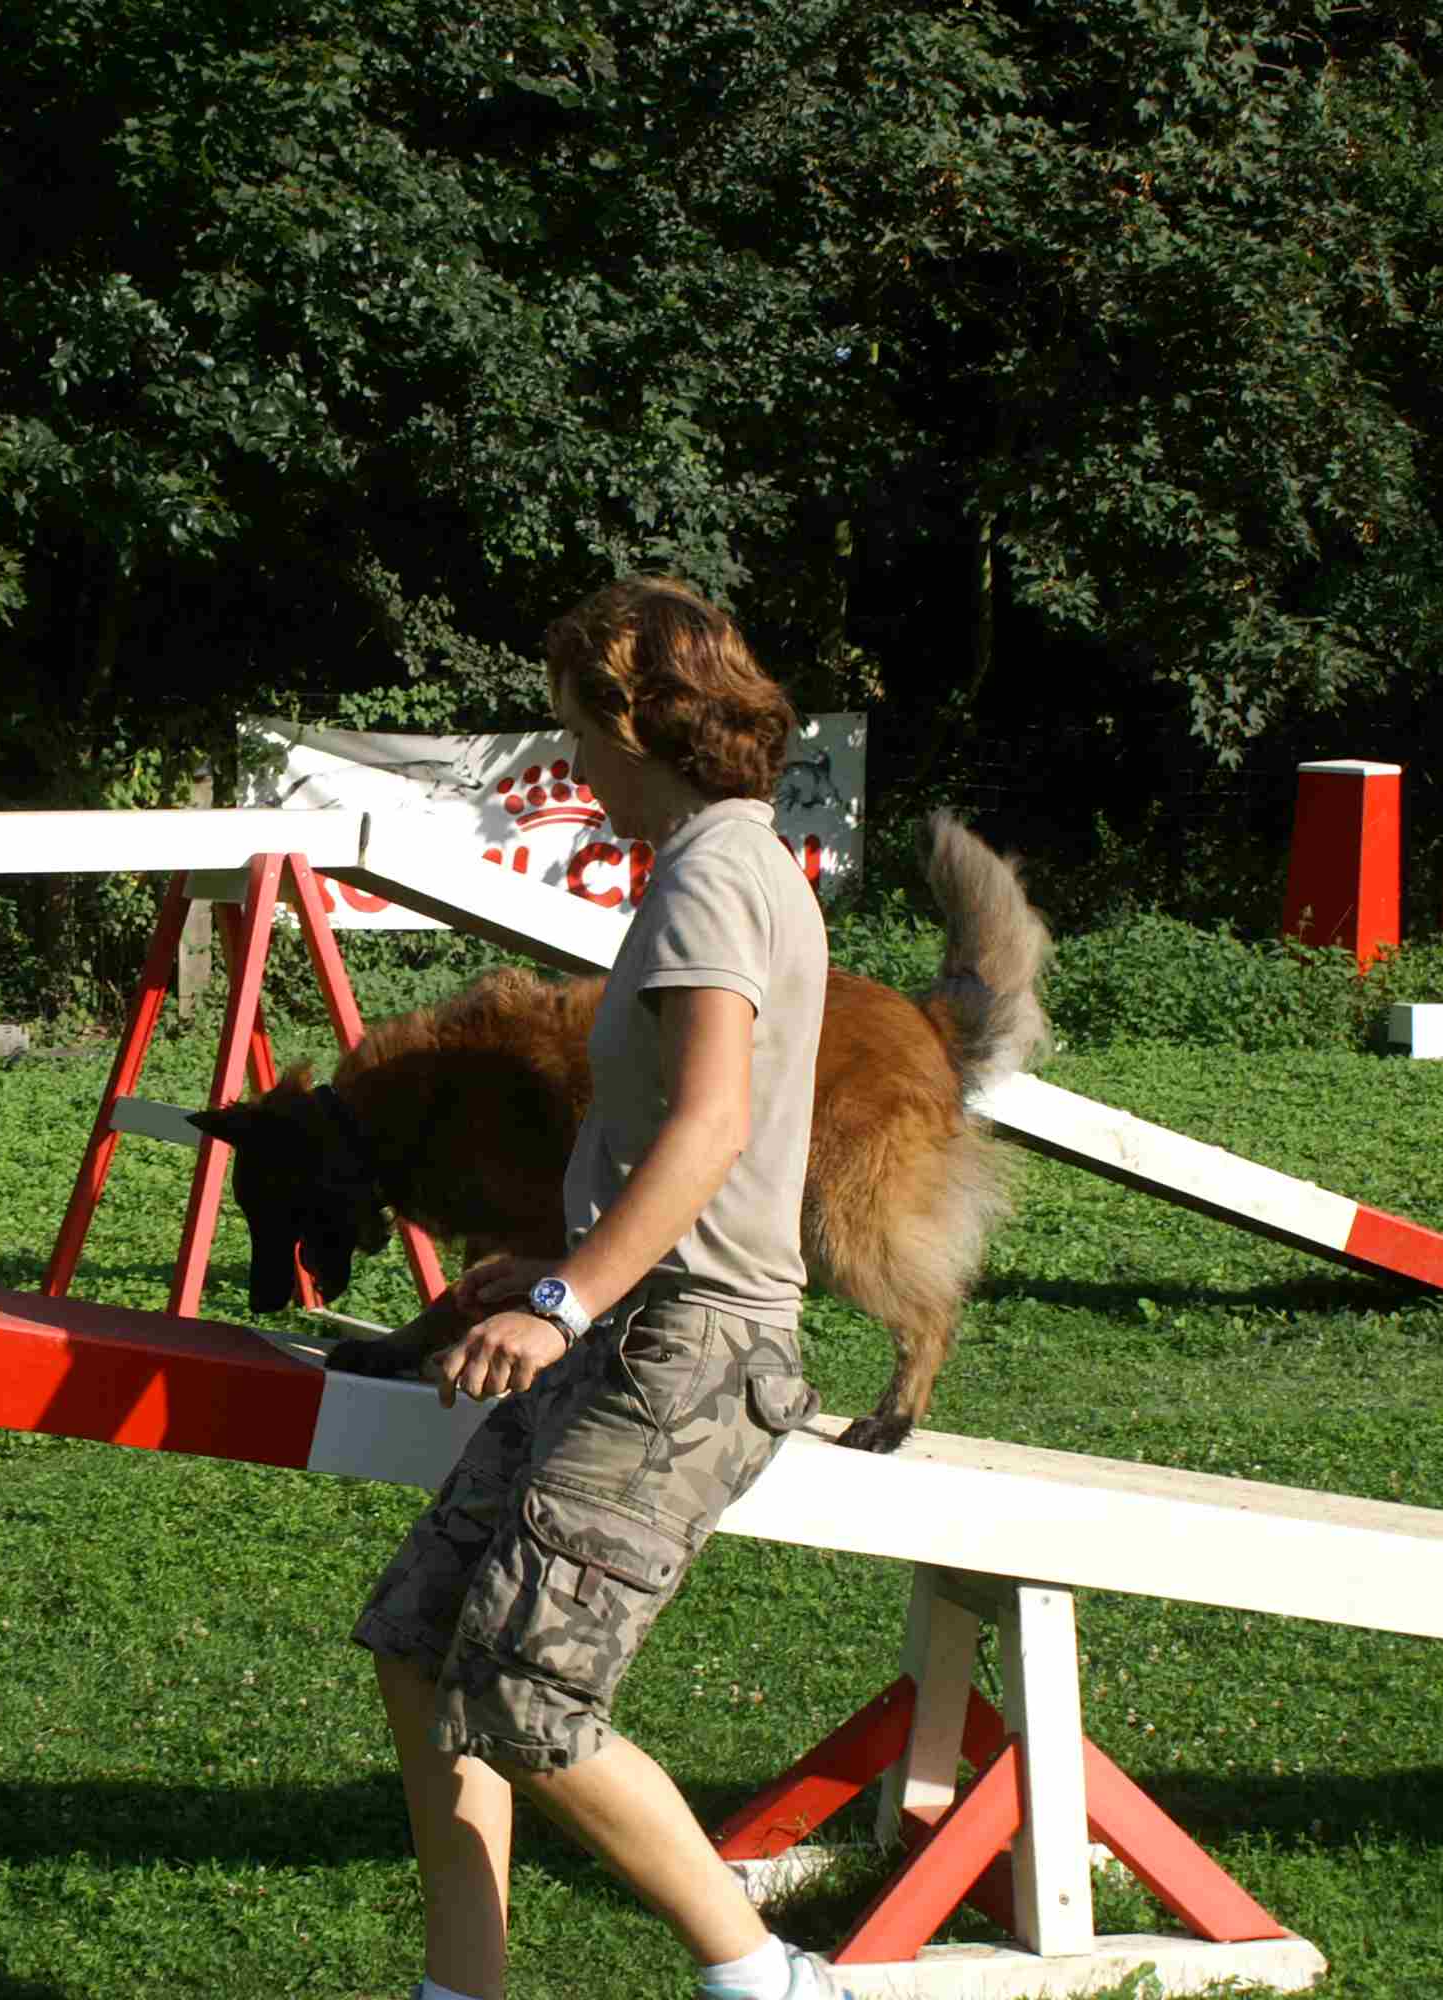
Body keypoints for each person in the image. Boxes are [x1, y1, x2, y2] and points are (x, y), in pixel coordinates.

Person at [352, 576, 844, 2000]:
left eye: (576, 729)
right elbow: (670, 1141)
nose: (570, 763)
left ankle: (770, 1981)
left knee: (524, 1692)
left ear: (638, 721)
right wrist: (563, 1262)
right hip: (633, 1320)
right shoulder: (723, 862)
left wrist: (563, 1302)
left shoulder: (712, 876)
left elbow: (712, 1125)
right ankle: (464, 1990)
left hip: (690, 1348)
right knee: (421, 1643)